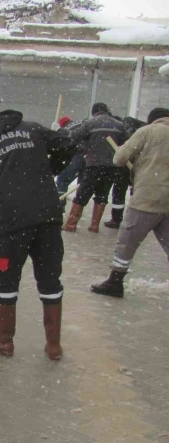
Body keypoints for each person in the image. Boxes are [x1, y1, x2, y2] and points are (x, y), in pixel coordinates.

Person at [0, 99, 75, 361]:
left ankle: (3, 340)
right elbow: (68, 143)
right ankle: (53, 346)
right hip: (48, 215)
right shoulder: (31, 128)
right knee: (50, 279)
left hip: (11, 221)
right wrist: (47, 170)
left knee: (4, 278)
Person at [91, 107, 169, 298]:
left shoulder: (147, 131)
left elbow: (119, 158)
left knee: (127, 241)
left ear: (152, 120)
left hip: (147, 197)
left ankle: (115, 282)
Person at [63, 103, 127, 233]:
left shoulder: (90, 123)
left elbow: (74, 137)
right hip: (111, 166)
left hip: (93, 164)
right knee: (102, 195)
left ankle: (70, 224)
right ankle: (94, 226)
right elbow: (127, 143)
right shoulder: (119, 125)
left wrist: (63, 133)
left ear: (94, 112)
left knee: (82, 194)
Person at [103, 116, 147, 229]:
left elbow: (129, 145)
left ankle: (117, 219)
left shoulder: (126, 126)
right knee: (135, 191)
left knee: (120, 190)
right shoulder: (141, 127)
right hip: (138, 164)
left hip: (129, 164)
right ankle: (136, 221)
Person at [53, 116, 84, 212]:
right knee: (83, 183)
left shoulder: (65, 129)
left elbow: (60, 144)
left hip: (76, 154)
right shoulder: (81, 124)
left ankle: (60, 204)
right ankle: (79, 205)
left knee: (62, 180)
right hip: (88, 156)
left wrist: (57, 132)